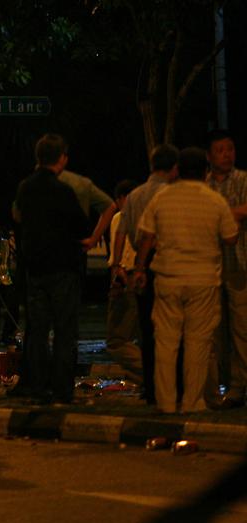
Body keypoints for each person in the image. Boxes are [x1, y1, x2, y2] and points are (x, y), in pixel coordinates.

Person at [133, 147, 238, 414]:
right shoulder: (215, 200)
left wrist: (140, 269)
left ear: (177, 170)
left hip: (168, 278)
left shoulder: (162, 198)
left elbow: (146, 237)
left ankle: (167, 402)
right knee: (198, 344)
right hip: (203, 281)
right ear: (206, 172)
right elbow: (230, 237)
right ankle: (192, 402)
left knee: (166, 343)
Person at [14, 133, 90, 404]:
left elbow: (21, 219)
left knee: (37, 329)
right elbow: (81, 226)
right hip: (62, 268)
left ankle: (37, 385)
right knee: (64, 330)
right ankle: (61, 388)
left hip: (35, 268)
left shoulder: (26, 188)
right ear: (61, 159)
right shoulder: (63, 190)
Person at [114, 144, 179, 404]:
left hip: (138, 265)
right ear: (174, 168)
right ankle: (172, 386)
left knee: (146, 331)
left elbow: (121, 232)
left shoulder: (136, 195)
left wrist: (117, 264)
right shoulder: (172, 194)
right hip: (166, 261)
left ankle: (151, 388)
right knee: (171, 329)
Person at [206, 130, 247, 409]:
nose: (226, 154)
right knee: (216, 332)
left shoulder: (242, 179)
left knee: (242, 329)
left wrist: (221, 215)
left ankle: (239, 386)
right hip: (211, 266)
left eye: (230, 148)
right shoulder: (203, 184)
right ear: (209, 156)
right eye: (220, 150)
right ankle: (225, 387)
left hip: (239, 262)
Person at [105, 179, 143, 382]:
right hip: (143, 278)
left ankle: (152, 372)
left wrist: (116, 279)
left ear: (120, 199)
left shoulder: (120, 217)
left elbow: (121, 256)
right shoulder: (147, 216)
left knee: (116, 341)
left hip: (126, 277)